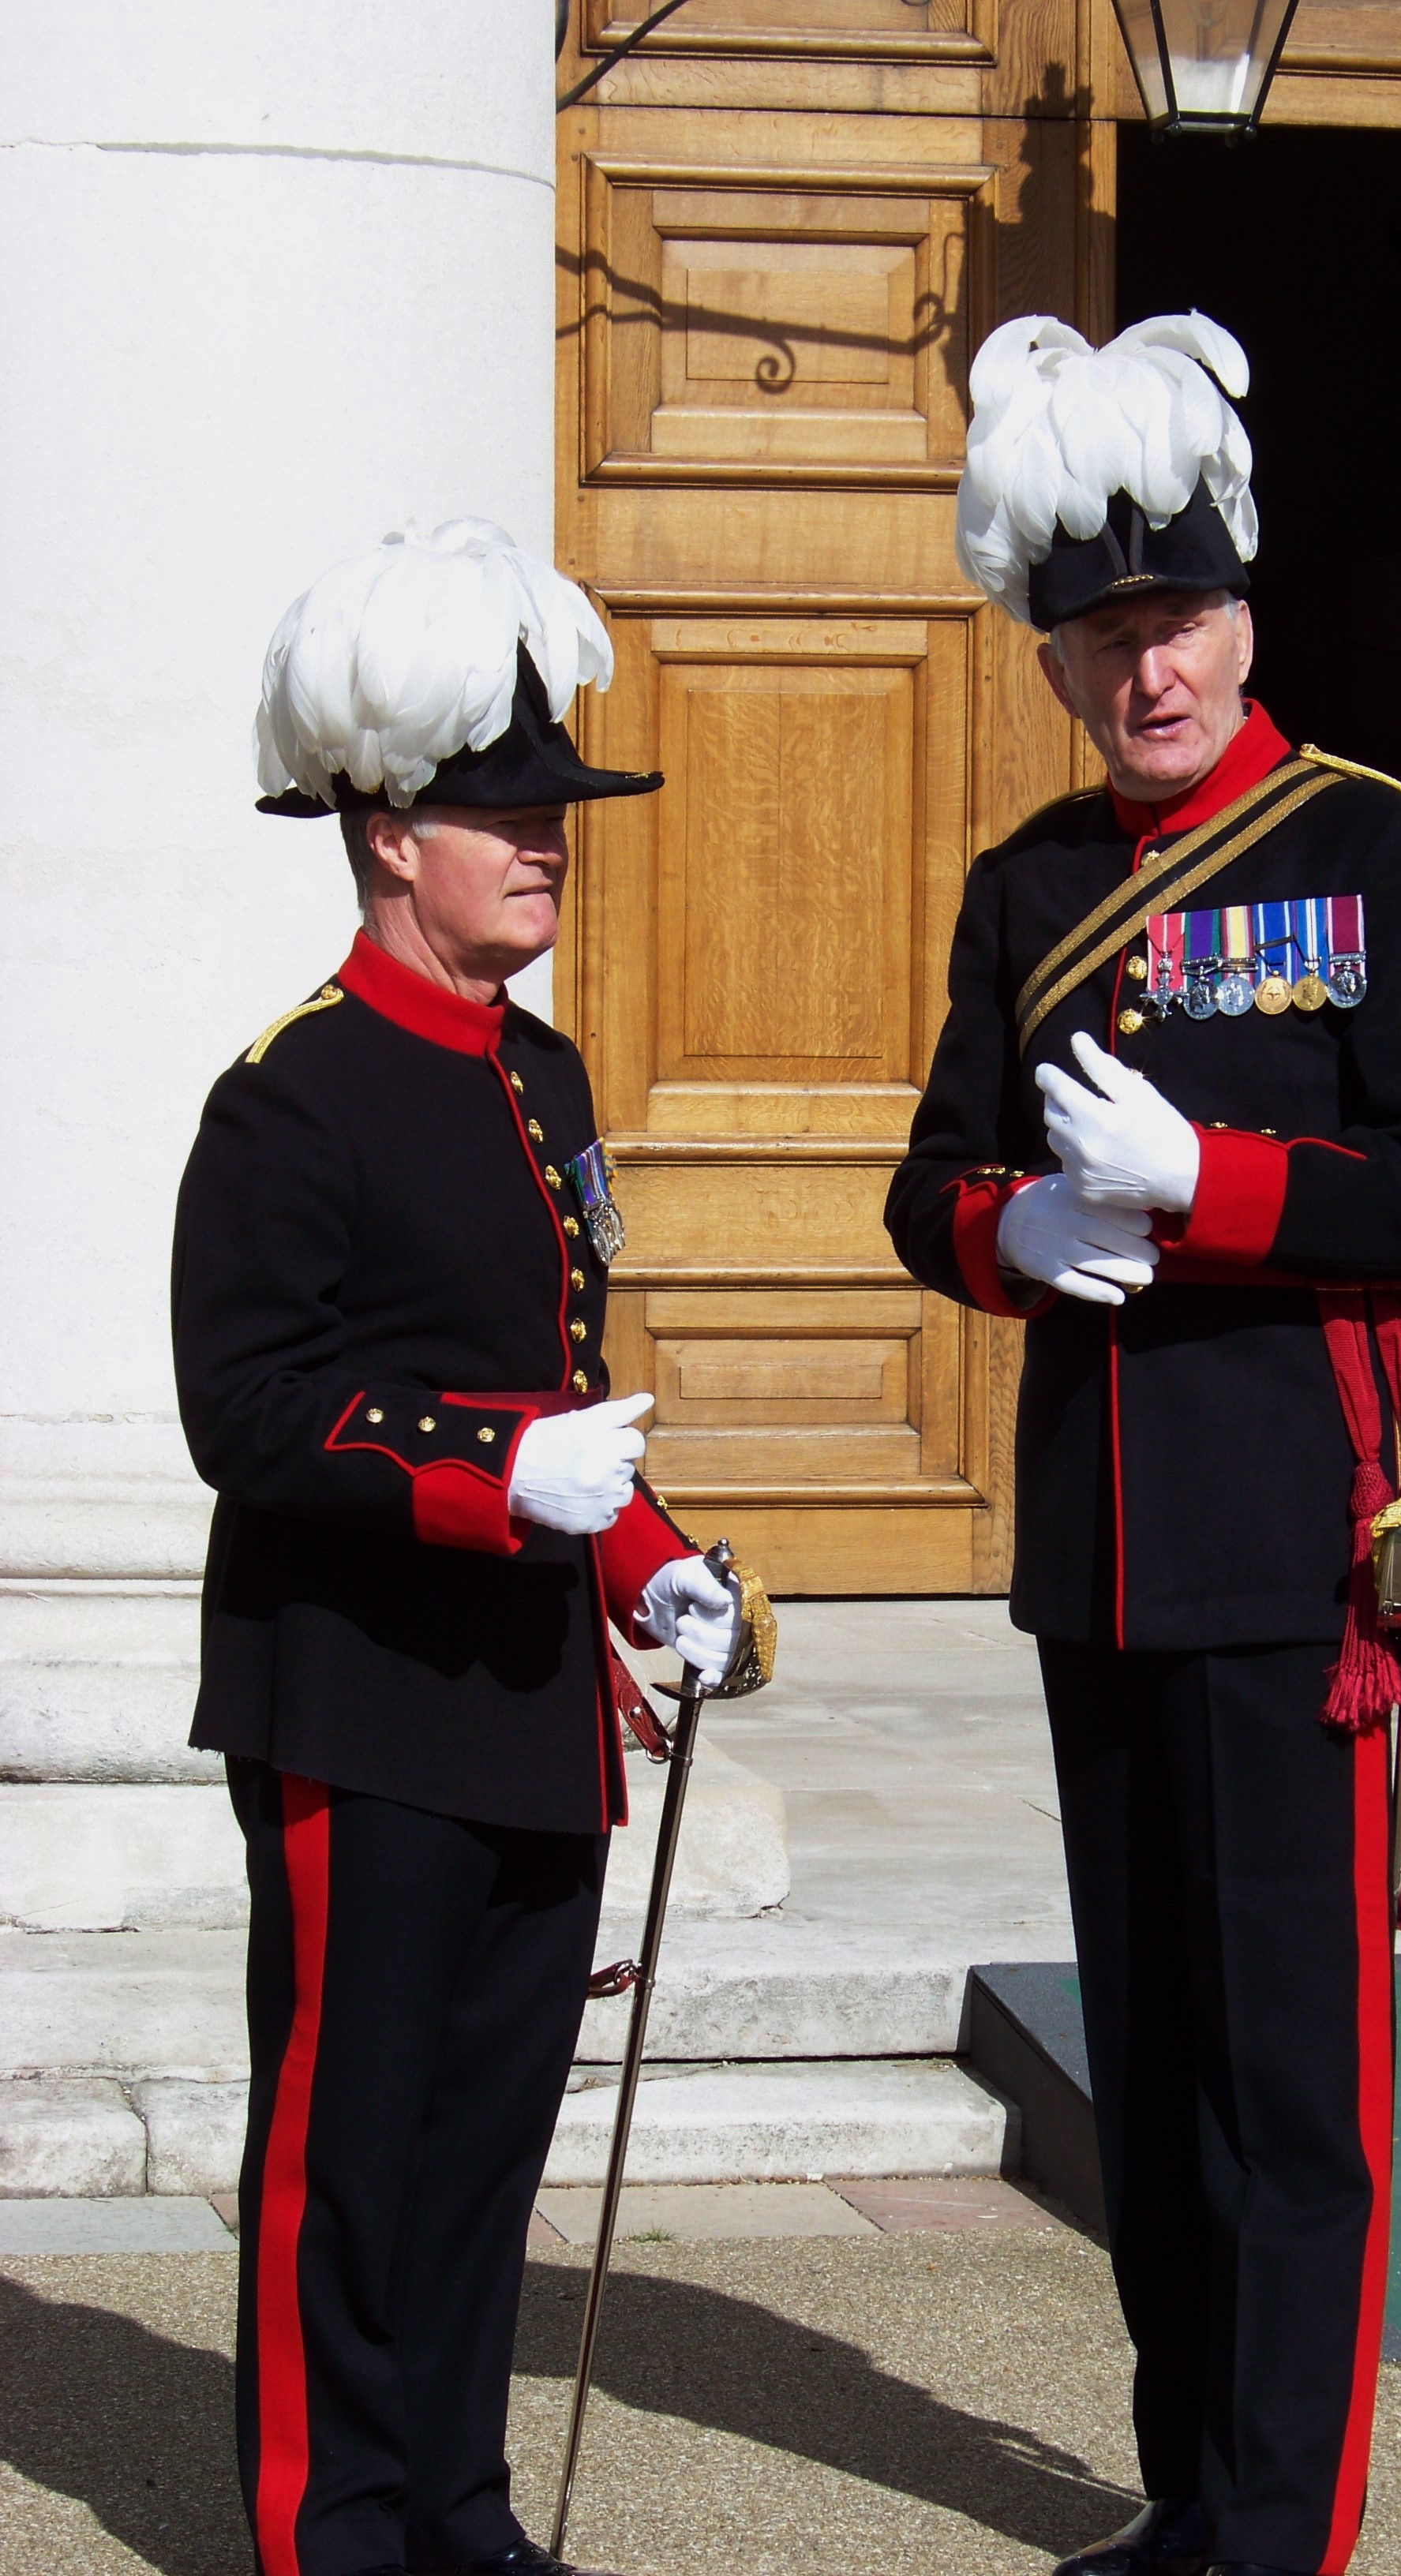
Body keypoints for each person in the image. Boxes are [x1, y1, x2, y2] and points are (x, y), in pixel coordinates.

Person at [886, 318, 1401, 2576]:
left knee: (1290, 2090)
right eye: (1098, 637)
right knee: (1151, 2082)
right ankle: (1190, 2503)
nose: (1142, 670)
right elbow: (926, 1187)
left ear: (1242, 614)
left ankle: (1282, 2534)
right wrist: (1024, 1226)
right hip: (1107, 1559)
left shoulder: (1372, 849)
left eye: (1173, 624)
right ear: (1055, 664)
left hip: (1299, 1551)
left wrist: (1215, 1189)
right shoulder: (1029, 884)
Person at [174, 519, 737, 2576]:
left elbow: (564, 1357)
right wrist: (501, 1476)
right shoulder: (292, 1102)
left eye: (552, 809)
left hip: (525, 1699)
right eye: (506, 814)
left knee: (491, 2143)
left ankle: (460, 2512)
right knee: (349, 2148)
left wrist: (646, 1560)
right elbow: (248, 1409)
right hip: (365, 1692)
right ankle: (333, 2530)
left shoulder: (545, 1070)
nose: (546, 842)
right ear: (389, 835)